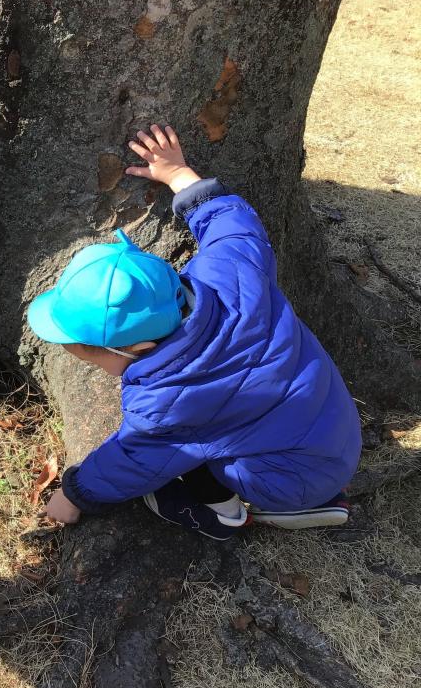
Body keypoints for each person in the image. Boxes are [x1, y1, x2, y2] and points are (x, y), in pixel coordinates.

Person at [31, 124, 360, 539]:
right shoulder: (230, 274)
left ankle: (226, 514)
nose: (93, 365)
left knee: (187, 458)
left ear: (139, 347)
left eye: (94, 358)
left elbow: (134, 460)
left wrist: (75, 494)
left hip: (283, 479)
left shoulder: (169, 400)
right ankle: (322, 493)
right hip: (333, 431)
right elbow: (234, 226)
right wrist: (178, 174)